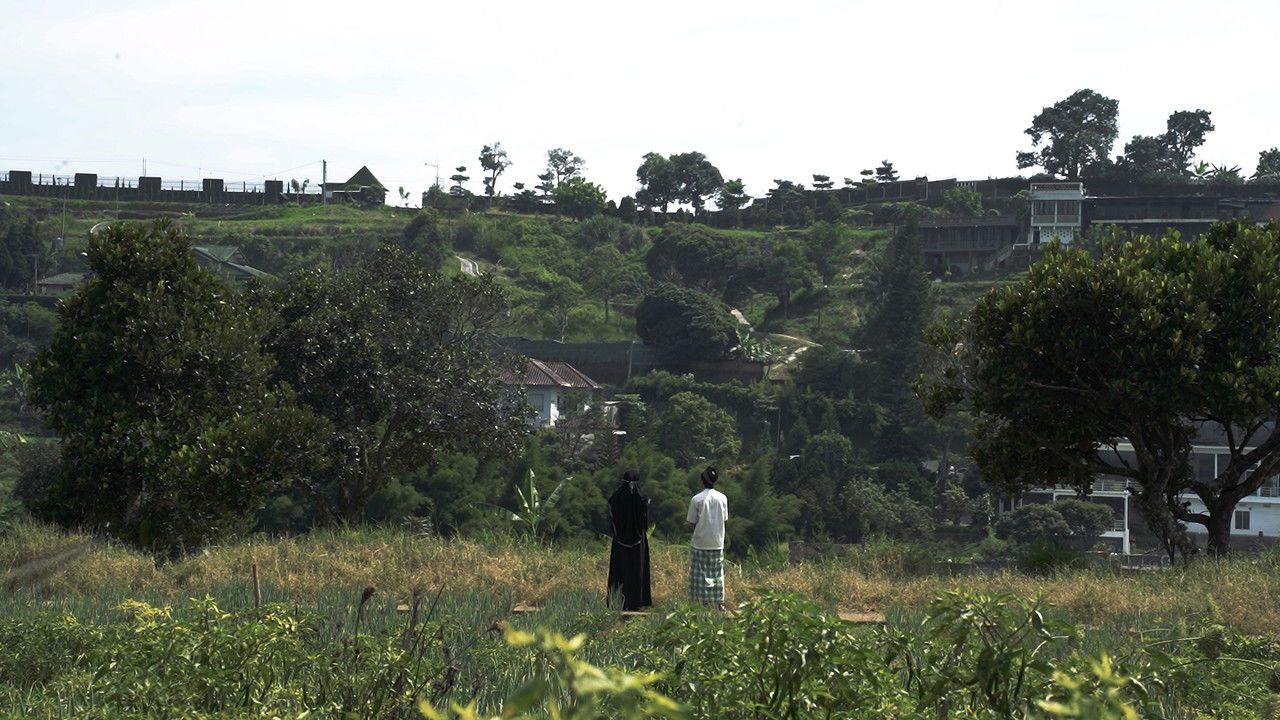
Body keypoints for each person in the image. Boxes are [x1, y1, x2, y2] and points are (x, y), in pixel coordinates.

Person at [606, 468, 652, 611]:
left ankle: (618, 602)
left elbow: (612, 520)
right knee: (637, 571)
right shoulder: (642, 498)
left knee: (619, 570)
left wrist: (618, 533)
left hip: (620, 541)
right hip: (639, 542)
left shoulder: (616, 498)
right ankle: (637, 602)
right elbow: (644, 522)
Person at [686, 465, 728, 608]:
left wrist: (698, 530)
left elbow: (691, 522)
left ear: (702, 480)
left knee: (699, 574)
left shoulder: (696, 499)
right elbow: (724, 519)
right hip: (717, 542)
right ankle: (718, 602)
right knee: (717, 573)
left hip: (700, 542)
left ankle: (701, 601)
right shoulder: (723, 498)